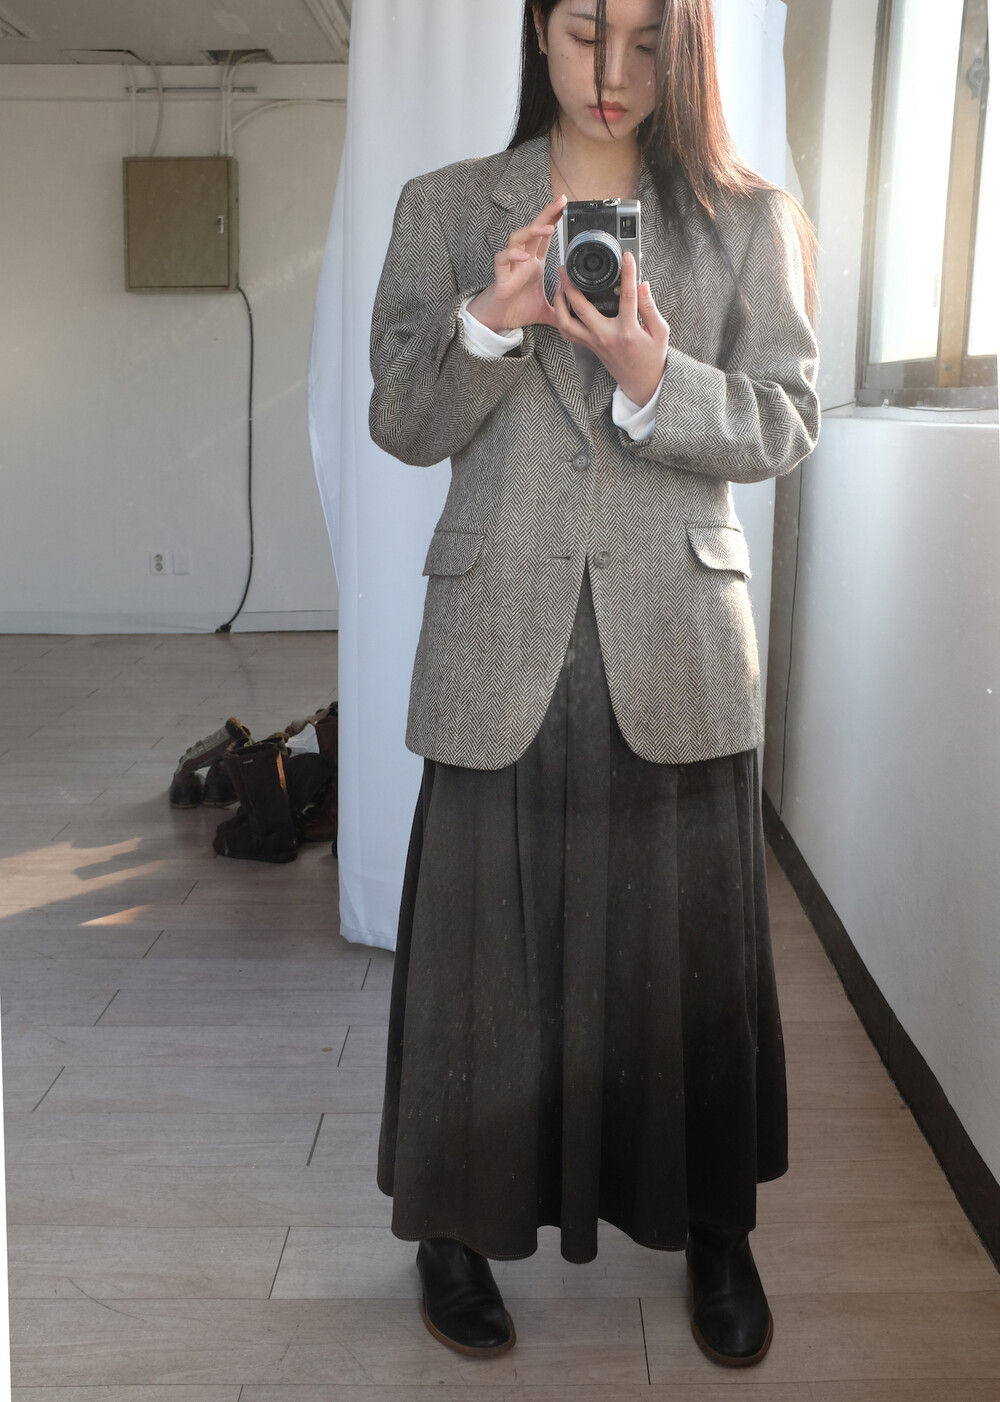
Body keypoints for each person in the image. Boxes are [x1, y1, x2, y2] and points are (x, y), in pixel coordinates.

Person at [368, 0, 819, 1369]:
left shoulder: (747, 220)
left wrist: (655, 376)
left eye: (643, 39)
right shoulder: (449, 208)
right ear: (536, 32)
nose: (613, 73)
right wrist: (487, 325)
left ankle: (714, 1226)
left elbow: (787, 421)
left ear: (685, 45)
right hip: (498, 633)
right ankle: (455, 1229)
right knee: (483, 958)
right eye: (583, 34)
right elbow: (400, 420)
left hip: (676, 634)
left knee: (688, 957)